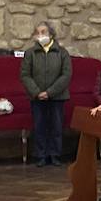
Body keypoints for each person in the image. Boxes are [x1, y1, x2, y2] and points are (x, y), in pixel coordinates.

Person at [20, 20, 72, 167]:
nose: (40, 35)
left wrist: (50, 92)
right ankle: (41, 155)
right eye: (37, 33)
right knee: (39, 126)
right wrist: (37, 92)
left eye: (43, 32)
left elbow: (66, 75)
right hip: (37, 97)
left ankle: (55, 155)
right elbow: (25, 74)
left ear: (51, 34)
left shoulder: (62, 53)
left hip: (57, 97)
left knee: (56, 126)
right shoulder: (30, 53)